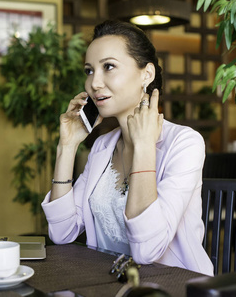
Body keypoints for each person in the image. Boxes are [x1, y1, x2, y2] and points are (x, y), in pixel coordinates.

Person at [41, 20, 214, 276]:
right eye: (89, 71)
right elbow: (62, 232)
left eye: (108, 67)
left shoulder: (184, 143)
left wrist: (144, 146)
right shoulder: (102, 146)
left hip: (173, 287)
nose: (94, 83)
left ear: (147, 74)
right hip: (111, 284)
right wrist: (67, 146)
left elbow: (147, 251)